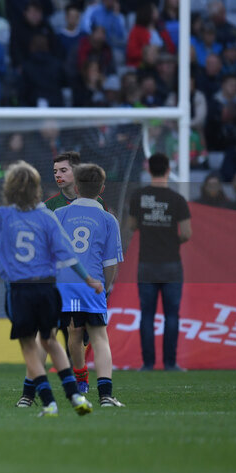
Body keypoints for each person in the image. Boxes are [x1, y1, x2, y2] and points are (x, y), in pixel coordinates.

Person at [0, 164, 101, 417]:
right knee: (51, 341)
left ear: (8, 190)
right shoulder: (46, 217)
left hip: (20, 291)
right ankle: (75, 396)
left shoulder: (1, 215)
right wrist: (89, 280)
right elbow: (68, 255)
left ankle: (49, 403)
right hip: (46, 287)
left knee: (30, 348)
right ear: (36, 190)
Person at [55, 164, 125, 407]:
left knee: (73, 333)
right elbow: (110, 262)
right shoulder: (108, 219)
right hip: (93, 284)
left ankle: (81, 380)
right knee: (99, 337)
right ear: (102, 189)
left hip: (66, 285)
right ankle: (105, 394)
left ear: (75, 187)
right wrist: (106, 288)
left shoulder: (61, 215)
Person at [126, 153, 191, 372]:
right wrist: (171, 237)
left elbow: (132, 225)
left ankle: (148, 363)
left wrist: (150, 225)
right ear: (168, 170)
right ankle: (171, 363)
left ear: (148, 170)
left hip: (147, 263)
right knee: (172, 315)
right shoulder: (177, 199)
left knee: (147, 315)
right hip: (171, 263)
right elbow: (187, 233)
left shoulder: (139, 196)